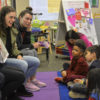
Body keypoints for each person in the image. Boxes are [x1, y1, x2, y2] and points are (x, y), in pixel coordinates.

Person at [15, 9, 46, 91]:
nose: (29, 21)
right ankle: (27, 82)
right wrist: (32, 45)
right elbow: (18, 47)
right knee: (30, 51)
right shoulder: (16, 27)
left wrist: (28, 31)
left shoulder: (24, 27)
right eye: (27, 18)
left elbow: (26, 43)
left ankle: (33, 79)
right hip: (15, 52)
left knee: (33, 51)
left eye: (30, 19)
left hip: (19, 49)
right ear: (20, 17)